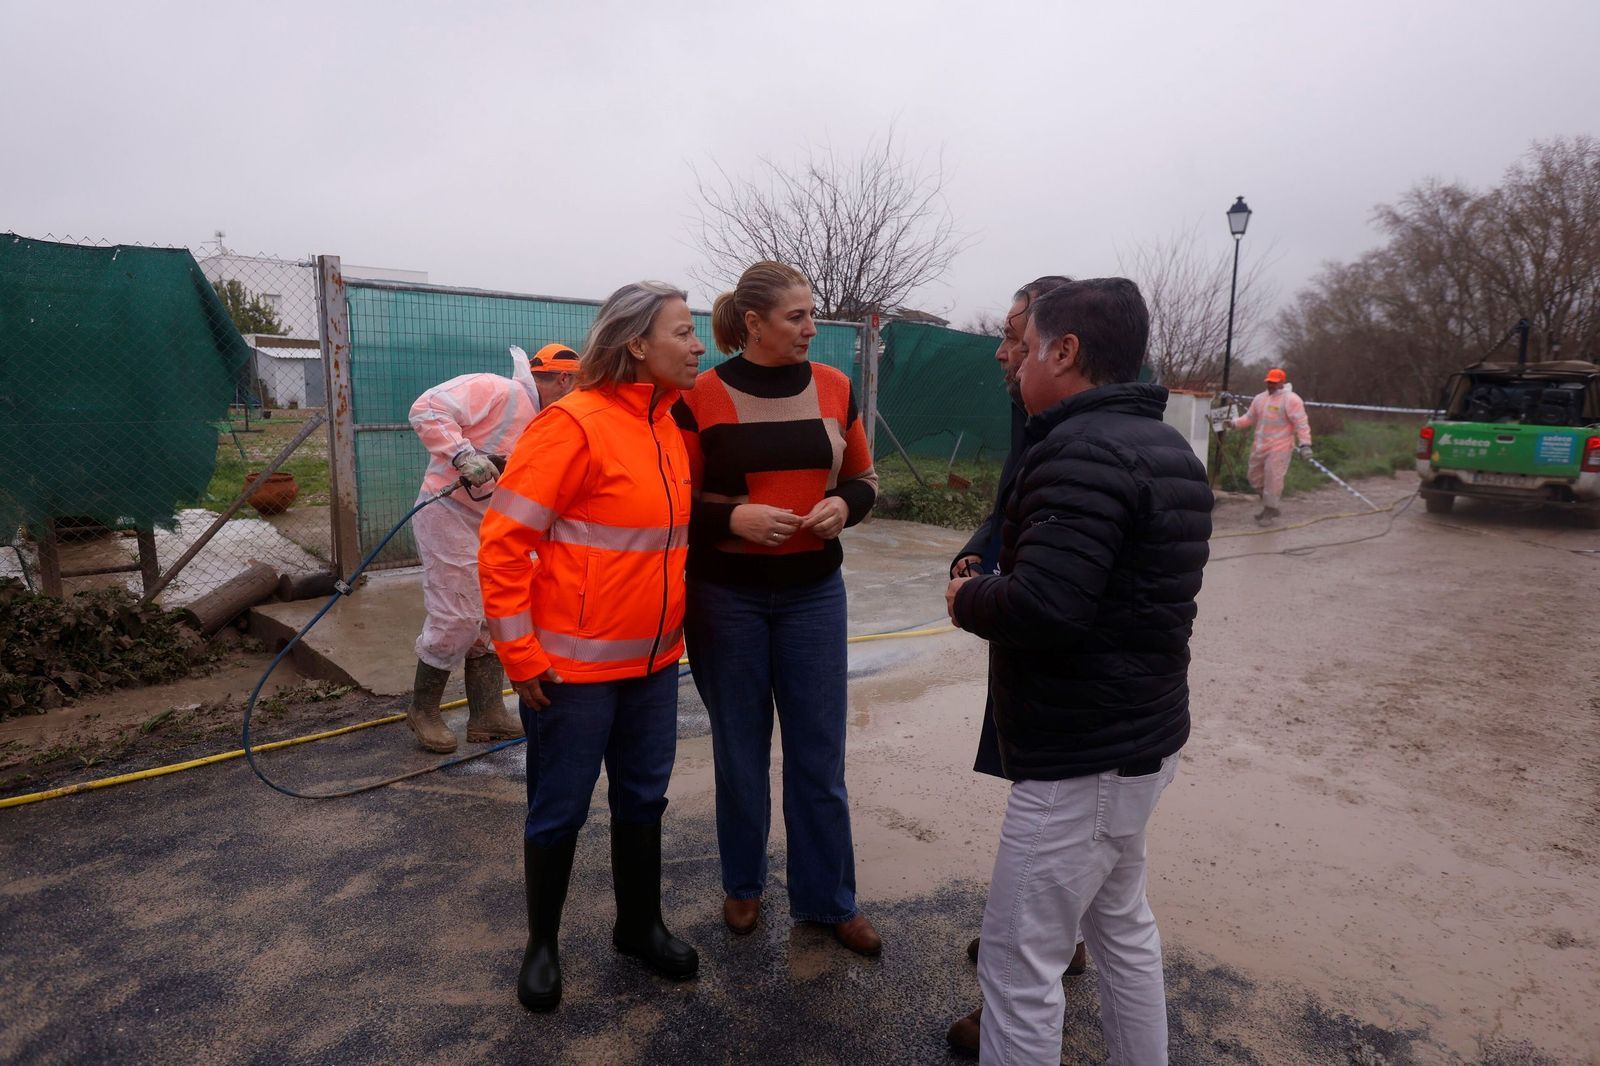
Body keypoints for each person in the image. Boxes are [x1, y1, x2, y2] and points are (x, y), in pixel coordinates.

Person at [945, 278, 1212, 1063]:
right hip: (1138, 740)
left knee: (1019, 963)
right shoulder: (1164, 445)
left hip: (1081, 757)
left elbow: (1047, 608)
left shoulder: (1082, 450)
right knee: (1122, 924)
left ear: (1065, 352)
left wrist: (969, 596)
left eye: (1026, 350)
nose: (1015, 365)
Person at [477, 282, 705, 1011]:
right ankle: (541, 946)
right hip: (571, 673)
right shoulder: (570, 425)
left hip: (653, 665)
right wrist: (521, 656)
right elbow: (504, 546)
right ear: (637, 343)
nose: (698, 344)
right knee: (560, 808)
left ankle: (638, 926)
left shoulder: (667, 425)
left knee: (644, 799)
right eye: (683, 331)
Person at [672, 260, 882, 955]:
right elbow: (674, 502)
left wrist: (842, 506)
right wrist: (735, 520)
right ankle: (743, 885)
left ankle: (829, 899)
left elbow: (864, 478)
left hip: (814, 597)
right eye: (797, 317)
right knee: (739, 752)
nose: (811, 328)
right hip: (725, 598)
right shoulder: (699, 396)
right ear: (754, 324)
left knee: (820, 757)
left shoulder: (835, 386)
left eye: (812, 314)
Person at [944, 276, 1091, 1056]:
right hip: (1026, 638)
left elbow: (1061, 565)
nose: (1003, 352)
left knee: (1051, 825)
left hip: (1057, 664)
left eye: (1015, 338)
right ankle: (1056, 938)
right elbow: (1013, 499)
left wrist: (987, 597)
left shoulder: (1083, 428)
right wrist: (978, 547)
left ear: (1058, 346)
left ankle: (1024, 985)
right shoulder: (1029, 404)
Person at [404, 343, 578, 753]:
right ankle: (423, 710)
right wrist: (463, 455)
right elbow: (427, 408)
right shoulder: (498, 390)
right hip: (448, 513)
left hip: (493, 521)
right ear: (564, 380)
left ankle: (486, 715)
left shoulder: (547, 419)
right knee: (458, 616)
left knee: (492, 615)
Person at [1230, 367, 1312, 525]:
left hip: (1280, 447)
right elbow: (1249, 417)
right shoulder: (1260, 399)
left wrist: (1305, 444)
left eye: (1274, 382)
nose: (1271, 385)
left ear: (1282, 382)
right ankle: (1270, 505)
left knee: (1273, 479)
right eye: (1269, 382)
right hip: (1260, 446)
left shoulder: (1292, 400)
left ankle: (1269, 510)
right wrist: (1233, 424)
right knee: (1253, 477)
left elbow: (1301, 423)